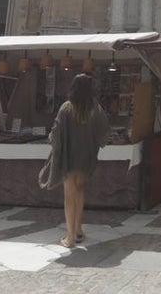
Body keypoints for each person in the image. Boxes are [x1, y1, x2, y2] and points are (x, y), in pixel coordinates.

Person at [38, 73, 109, 248]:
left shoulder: (66, 108)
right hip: (86, 157)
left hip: (69, 158)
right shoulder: (95, 109)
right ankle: (78, 229)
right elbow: (104, 133)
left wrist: (53, 143)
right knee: (80, 190)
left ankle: (70, 237)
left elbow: (56, 132)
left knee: (69, 196)